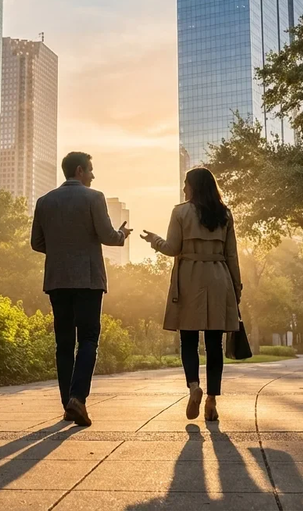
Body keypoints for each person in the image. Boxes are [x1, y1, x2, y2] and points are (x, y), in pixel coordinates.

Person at [31, 152, 132, 426]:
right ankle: (78, 398)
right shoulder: (94, 198)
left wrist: (60, 250)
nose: (93, 176)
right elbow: (107, 236)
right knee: (88, 338)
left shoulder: (44, 202)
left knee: (63, 342)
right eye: (90, 170)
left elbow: (36, 243)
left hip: (57, 280)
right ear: (79, 170)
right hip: (87, 280)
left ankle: (68, 405)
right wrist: (122, 235)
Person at [141, 168, 242, 421]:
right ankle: (211, 400)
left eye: (186, 184)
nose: (184, 189)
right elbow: (232, 255)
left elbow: (173, 248)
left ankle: (194, 386)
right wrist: (237, 288)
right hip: (220, 278)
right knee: (214, 344)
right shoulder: (225, 215)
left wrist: (155, 240)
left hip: (189, 278)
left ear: (194, 186)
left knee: (188, 340)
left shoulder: (180, 212)